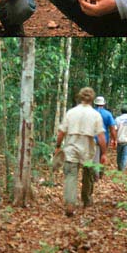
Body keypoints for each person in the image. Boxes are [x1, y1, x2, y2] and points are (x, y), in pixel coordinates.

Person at [55, 87, 107, 216]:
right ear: (92, 99)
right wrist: (104, 153)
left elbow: (61, 132)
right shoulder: (95, 115)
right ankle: (86, 199)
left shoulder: (71, 112)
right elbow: (101, 137)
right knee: (88, 175)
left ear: (80, 97)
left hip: (71, 149)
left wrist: (57, 146)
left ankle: (70, 204)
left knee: (70, 177)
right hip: (88, 152)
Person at [92, 96, 117, 181]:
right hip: (104, 139)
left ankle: (96, 175)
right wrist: (114, 139)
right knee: (103, 155)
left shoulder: (90, 112)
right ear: (103, 104)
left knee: (94, 158)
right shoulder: (107, 114)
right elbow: (112, 129)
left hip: (92, 139)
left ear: (95, 103)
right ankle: (99, 174)